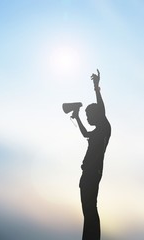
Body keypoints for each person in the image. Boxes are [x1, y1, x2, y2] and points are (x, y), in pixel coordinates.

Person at [73, 69, 111, 240]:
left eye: (89, 115)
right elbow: (85, 134)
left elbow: (101, 110)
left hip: (92, 173)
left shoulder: (104, 127)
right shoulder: (97, 132)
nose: (88, 118)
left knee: (90, 209)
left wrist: (96, 87)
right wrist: (78, 117)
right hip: (88, 173)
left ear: (97, 115)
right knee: (87, 210)